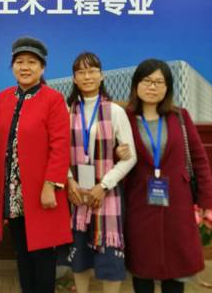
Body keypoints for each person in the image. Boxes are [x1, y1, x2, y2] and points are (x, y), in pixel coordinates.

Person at [124, 59, 212, 293]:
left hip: (178, 202)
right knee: (142, 265)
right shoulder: (125, 118)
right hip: (139, 202)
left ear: (168, 88)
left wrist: (206, 201)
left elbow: (199, 159)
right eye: (147, 80)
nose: (152, 87)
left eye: (159, 82)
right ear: (136, 85)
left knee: (177, 266)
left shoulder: (180, 117)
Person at [0, 36, 72, 293]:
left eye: (31, 62)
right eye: (19, 62)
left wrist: (51, 185)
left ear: (42, 68)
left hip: (41, 191)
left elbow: (60, 146)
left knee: (42, 253)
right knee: (22, 252)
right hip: (13, 192)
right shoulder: (4, 97)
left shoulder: (53, 99)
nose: (25, 67)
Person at [64, 52, 137, 293]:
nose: (87, 77)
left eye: (92, 71)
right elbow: (57, 152)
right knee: (79, 257)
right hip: (76, 195)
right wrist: (70, 181)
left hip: (107, 195)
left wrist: (104, 185)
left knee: (110, 258)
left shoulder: (115, 111)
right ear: (74, 78)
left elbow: (130, 157)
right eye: (81, 72)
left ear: (101, 75)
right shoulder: (65, 110)